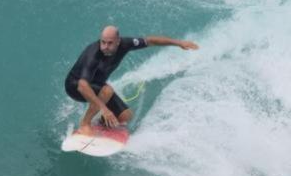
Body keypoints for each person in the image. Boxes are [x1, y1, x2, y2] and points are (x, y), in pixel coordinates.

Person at [65, 26, 198, 134]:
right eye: (103, 42)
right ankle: (85, 124)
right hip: (75, 86)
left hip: (97, 85)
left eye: (110, 43)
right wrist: (104, 109)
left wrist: (178, 43)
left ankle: (102, 122)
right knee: (107, 91)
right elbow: (82, 86)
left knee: (125, 117)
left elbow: (150, 41)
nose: (105, 46)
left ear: (118, 41)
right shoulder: (93, 54)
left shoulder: (126, 44)